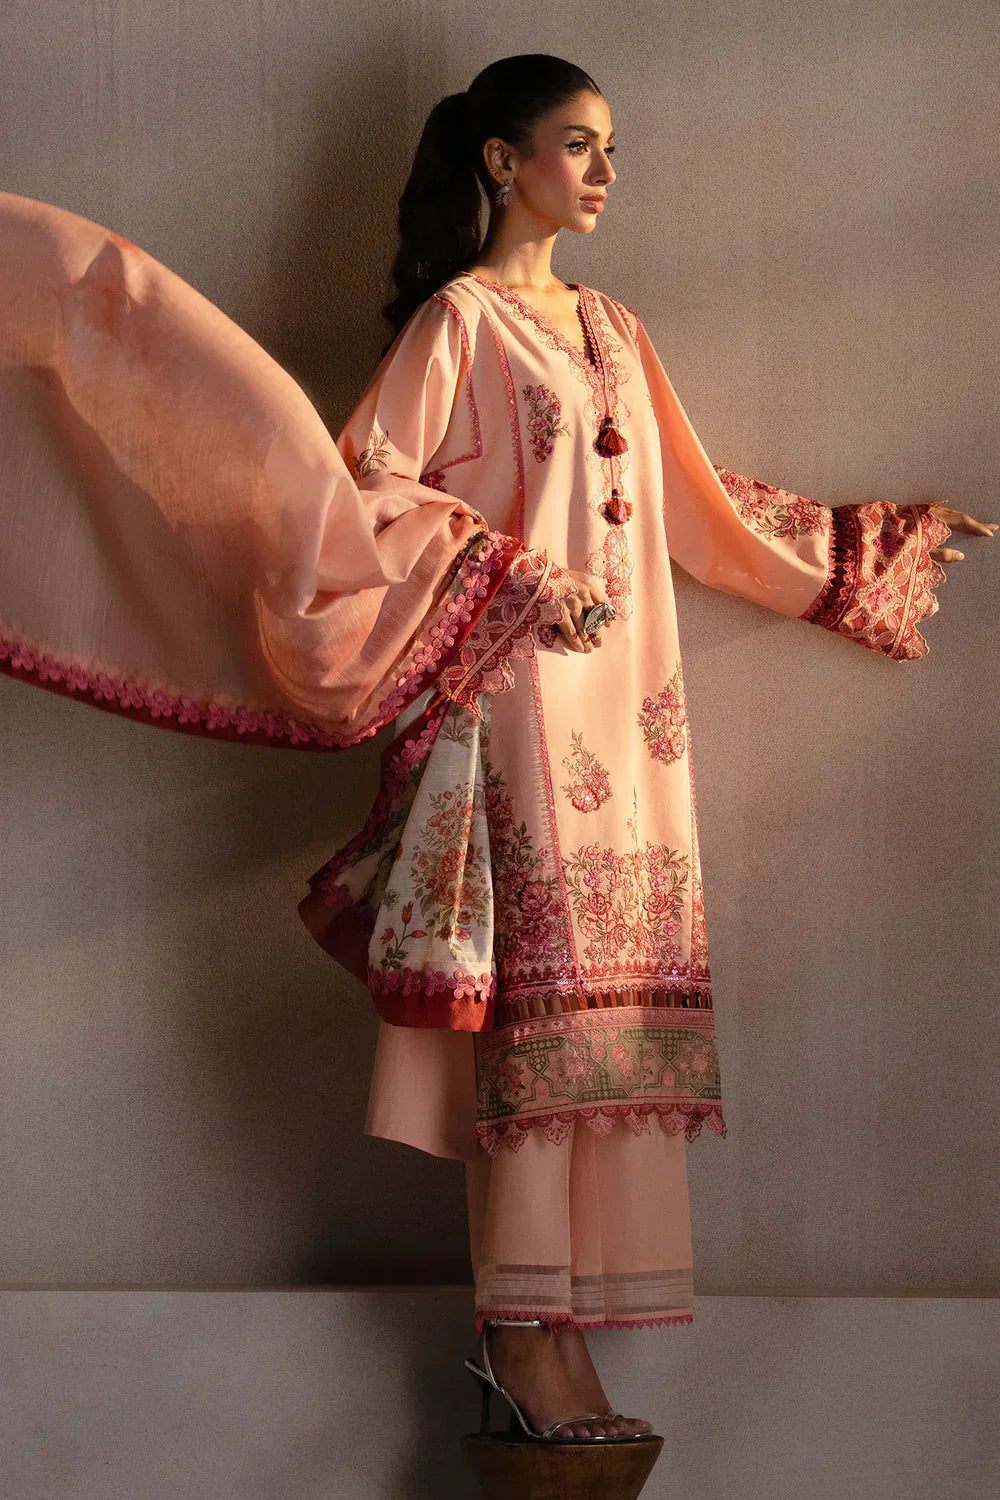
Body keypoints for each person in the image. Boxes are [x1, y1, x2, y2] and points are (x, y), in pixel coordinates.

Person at [0, 53, 993, 1446]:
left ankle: (562, 1332)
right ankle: (523, 1341)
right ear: (500, 161)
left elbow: (690, 513)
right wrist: (511, 573)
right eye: (579, 144)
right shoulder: (458, 326)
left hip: (635, 736)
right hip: (512, 711)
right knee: (527, 1029)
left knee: (607, 1028)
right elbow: (363, 495)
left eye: (612, 148)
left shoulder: (614, 328)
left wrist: (862, 550)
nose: (605, 172)